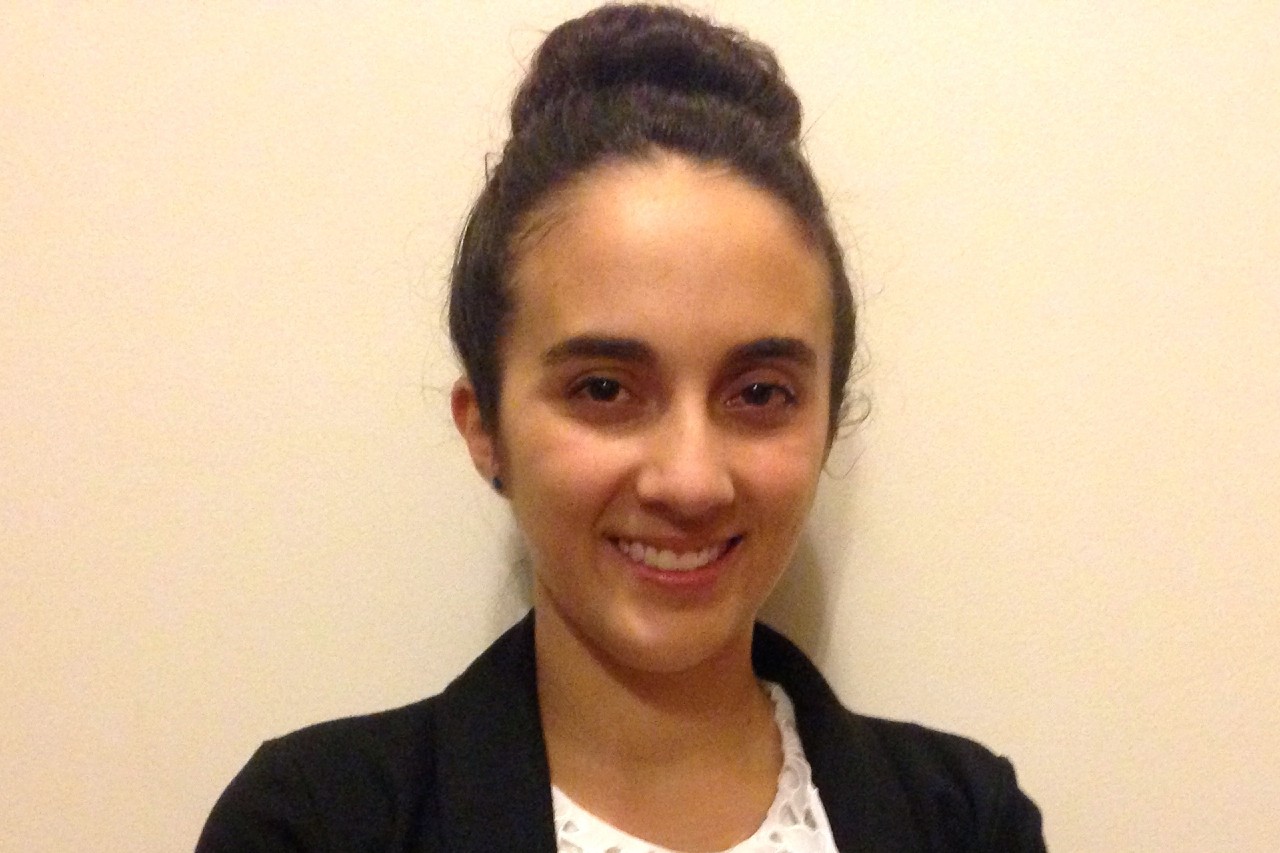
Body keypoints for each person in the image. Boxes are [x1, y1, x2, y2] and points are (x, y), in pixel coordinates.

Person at [196, 5, 1046, 851]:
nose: (690, 480)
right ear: (484, 426)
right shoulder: (314, 824)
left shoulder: (967, 821)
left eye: (759, 393)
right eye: (604, 388)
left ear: (826, 421)